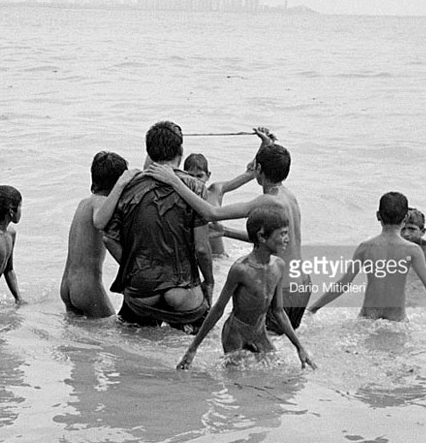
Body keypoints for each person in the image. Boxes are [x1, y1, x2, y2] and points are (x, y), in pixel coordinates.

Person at [147, 140, 311, 332]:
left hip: (282, 288)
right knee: (278, 342)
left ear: (259, 169)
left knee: (257, 346)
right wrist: (225, 232)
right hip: (302, 285)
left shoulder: (269, 201)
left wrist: (174, 181)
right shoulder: (288, 196)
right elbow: (270, 242)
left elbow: (210, 214)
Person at [306, 192, 426, 331]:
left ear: (378, 216)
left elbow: (344, 284)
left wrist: (313, 309)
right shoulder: (413, 250)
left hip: (367, 320)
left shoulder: (365, 247)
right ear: (404, 219)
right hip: (397, 321)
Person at [103, 121, 213, 330]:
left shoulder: (127, 187)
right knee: (199, 344)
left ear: (149, 153)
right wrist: (209, 282)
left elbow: (108, 238)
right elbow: (201, 248)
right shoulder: (195, 188)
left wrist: (134, 268)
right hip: (182, 292)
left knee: (127, 355)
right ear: (180, 151)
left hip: (141, 290)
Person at [177, 207, 316, 370]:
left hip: (259, 332)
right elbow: (218, 309)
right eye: (282, 234)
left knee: (277, 373)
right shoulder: (241, 270)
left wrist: (300, 347)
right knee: (237, 382)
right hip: (235, 333)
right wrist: (192, 349)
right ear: (262, 236)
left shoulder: (279, 266)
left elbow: (278, 311)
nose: (287, 239)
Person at [60, 151, 138, 318]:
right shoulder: (100, 202)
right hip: (87, 288)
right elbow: (100, 221)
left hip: (67, 284)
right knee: (112, 331)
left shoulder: (84, 203)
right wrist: (121, 185)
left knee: (78, 337)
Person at [183, 127, 278, 255]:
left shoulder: (216, 191)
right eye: (190, 176)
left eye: (199, 176)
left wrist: (264, 144)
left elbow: (250, 173)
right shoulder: (181, 194)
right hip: (198, 259)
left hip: (220, 258)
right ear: (183, 176)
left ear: (208, 175)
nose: (195, 181)